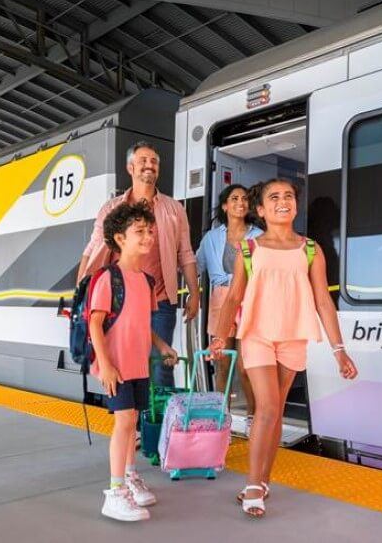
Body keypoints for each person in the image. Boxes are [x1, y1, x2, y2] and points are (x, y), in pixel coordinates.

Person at [209, 177, 358, 518]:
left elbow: (323, 300)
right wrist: (220, 337)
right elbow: (233, 297)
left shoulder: (310, 249)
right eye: (273, 197)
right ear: (260, 209)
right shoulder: (249, 249)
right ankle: (252, 484)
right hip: (257, 335)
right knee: (267, 407)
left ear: (296, 204)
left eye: (288, 196)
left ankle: (263, 480)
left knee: (273, 412)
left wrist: (339, 349)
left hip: (293, 336)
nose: (282, 201)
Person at [79, 141, 199, 387]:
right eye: (143, 160)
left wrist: (195, 294)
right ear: (130, 167)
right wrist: (81, 290)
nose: (149, 165)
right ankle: (129, 420)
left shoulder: (174, 209)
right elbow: (91, 250)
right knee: (122, 365)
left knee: (160, 367)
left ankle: (158, 426)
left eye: (154, 161)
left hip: (160, 302)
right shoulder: (112, 208)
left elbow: (185, 253)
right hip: (120, 302)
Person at [89, 202, 179, 522]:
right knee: (124, 423)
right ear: (119, 238)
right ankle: (114, 494)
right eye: (139, 231)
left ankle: (129, 477)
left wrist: (163, 345)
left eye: (150, 231)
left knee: (132, 425)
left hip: (138, 365)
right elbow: (95, 323)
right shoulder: (108, 277)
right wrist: (106, 364)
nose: (148, 236)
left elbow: (144, 324)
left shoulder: (146, 280)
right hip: (116, 365)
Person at [195, 184, 262, 432]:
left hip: (248, 300)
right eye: (234, 199)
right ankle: (222, 418)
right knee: (222, 362)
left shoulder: (258, 235)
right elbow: (195, 264)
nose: (241, 203)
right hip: (220, 301)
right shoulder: (212, 237)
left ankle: (253, 419)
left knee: (246, 366)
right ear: (225, 206)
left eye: (244, 199)